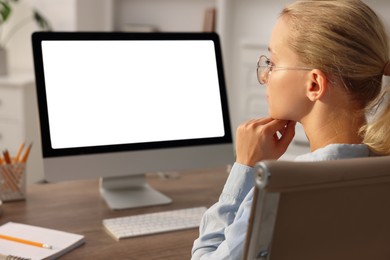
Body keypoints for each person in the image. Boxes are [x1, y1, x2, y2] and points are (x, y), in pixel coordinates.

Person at [191, 0, 390, 259]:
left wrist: (245, 166)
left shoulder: (281, 191)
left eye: (272, 63)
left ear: (315, 85)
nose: (265, 76)